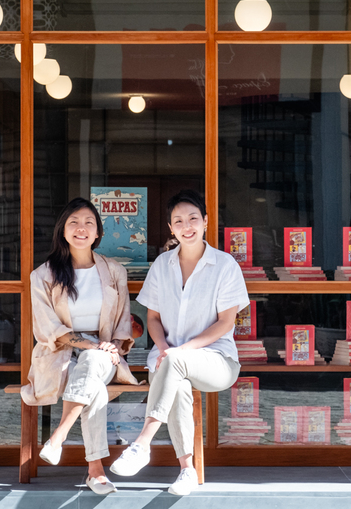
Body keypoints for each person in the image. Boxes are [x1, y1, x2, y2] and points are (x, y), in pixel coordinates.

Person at [109, 189, 248, 496]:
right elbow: (154, 319)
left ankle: (142, 443)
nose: (187, 226)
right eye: (179, 221)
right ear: (171, 228)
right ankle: (187, 469)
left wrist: (177, 352)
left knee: (175, 365)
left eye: (193, 219)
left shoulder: (225, 266)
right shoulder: (162, 265)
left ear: (206, 221)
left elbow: (226, 322)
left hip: (217, 361)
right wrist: (162, 349)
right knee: (179, 385)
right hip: (167, 359)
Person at [21, 197, 139, 495]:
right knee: (94, 387)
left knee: (93, 362)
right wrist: (91, 345)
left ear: (98, 232)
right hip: (59, 354)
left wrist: (109, 346)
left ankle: (57, 437)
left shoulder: (114, 272)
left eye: (88, 223)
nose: (81, 228)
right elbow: (47, 328)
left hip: (103, 354)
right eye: (73, 222)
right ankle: (96, 472)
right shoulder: (43, 275)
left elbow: (123, 324)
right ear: (63, 230)